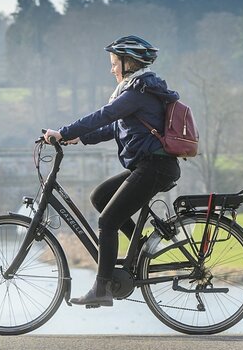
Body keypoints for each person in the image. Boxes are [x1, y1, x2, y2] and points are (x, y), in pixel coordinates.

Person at [44, 35, 181, 307]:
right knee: (100, 196)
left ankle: (102, 288)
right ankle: (140, 248)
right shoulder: (139, 91)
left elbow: (105, 115)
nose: (112, 69)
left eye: (114, 63)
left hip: (154, 167)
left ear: (128, 63)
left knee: (107, 222)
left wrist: (64, 132)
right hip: (150, 165)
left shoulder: (137, 92)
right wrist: (79, 138)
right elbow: (114, 127)